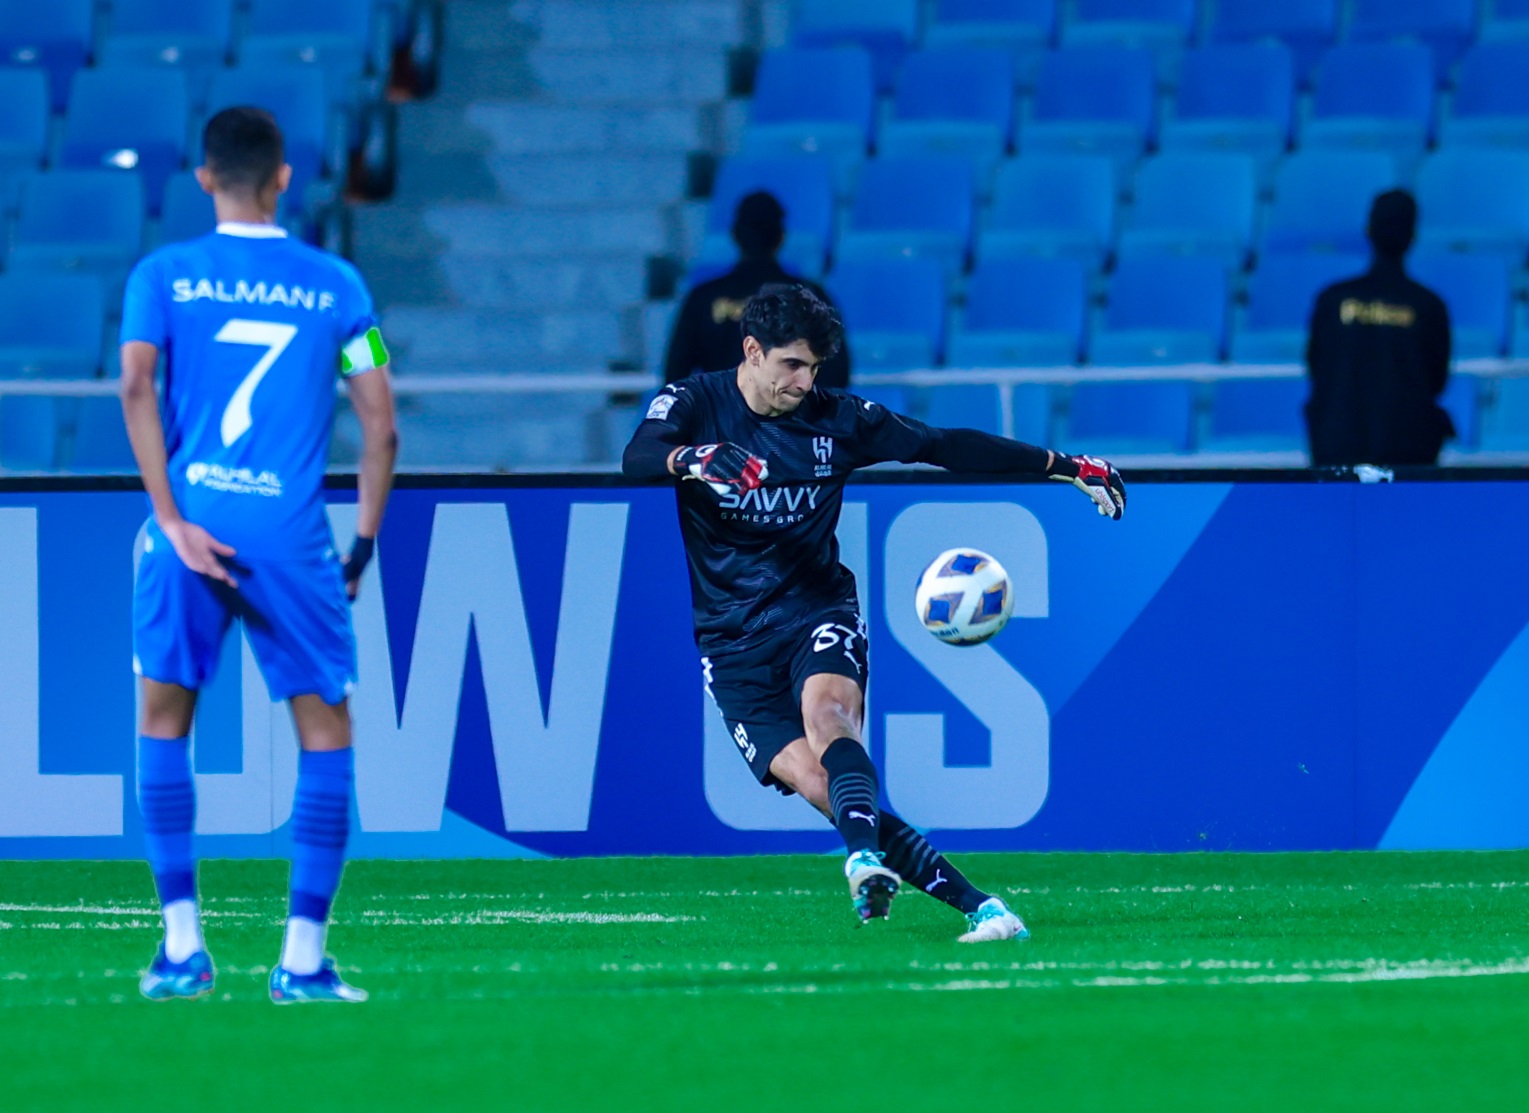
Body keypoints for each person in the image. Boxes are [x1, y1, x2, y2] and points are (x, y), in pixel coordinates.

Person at [624, 284, 1125, 940]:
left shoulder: (839, 419)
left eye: (815, 368)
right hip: (730, 640)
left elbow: (943, 445)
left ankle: (862, 859)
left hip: (815, 606)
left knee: (830, 718)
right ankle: (983, 907)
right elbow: (637, 457)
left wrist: (1065, 466)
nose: (806, 382)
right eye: (792, 365)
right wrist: (690, 458)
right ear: (752, 351)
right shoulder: (695, 402)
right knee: (818, 785)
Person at [119, 107, 398, 1003]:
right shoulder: (338, 285)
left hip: (188, 522)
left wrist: (169, 517)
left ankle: (181, 949)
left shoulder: (161, 274)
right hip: (289, 535)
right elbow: (382, 423)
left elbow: (134, 382)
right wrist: (361, 544)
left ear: (203, 179)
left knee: (164, 723)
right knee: (326, 737)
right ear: (284, 179)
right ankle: (304, 959)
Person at [1305, 189, 1453, 467]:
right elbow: (1438, 381)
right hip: (1407, 459)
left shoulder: (1332, 300)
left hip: (1336, 453)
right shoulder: (1428, 306)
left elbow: (1315, 368)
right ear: (1412, 237)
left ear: (1368, 231)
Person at [664, 191, 851, 388]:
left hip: (722, 417)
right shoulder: (810, 297)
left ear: (735, 235)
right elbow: (837, 374)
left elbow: (675, 375)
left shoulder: (702, 298)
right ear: (781, 237)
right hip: (792, 417)